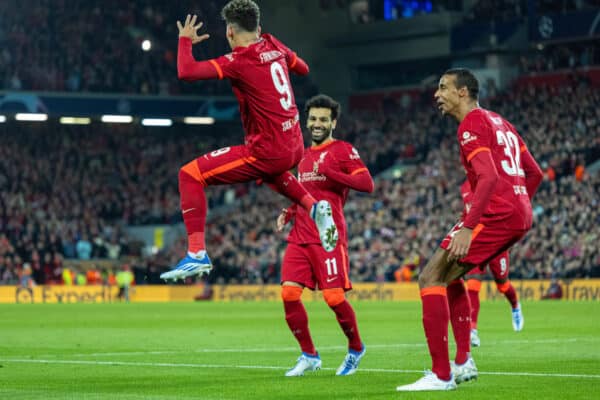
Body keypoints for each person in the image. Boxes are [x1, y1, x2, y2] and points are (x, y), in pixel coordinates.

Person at [160, 0, 338, 281]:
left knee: (189, 175)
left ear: (230, 32)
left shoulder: (238, 60)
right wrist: (283, 56)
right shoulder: (272, 43)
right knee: (270, 174)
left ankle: (196, 254)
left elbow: (186, 71)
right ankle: (314, 207)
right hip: (295, 144)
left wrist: (184, 41)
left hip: (268, 150)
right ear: (259, 27)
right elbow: (302, 68)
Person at [396, 68, 543, 391]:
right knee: (450, 277)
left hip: (495, 214)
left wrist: (472, 226)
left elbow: (489, 178)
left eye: (443, 87)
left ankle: (442, 374)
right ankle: (462, 363)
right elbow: (535, 174)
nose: (437, 94)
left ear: (463, 92)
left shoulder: (471, 124)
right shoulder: (500, 122)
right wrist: (519, 208)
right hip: (513, 213)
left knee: (430, 276)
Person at [276, 94, 374, 377]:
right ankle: (309, 355)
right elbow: (305, 195)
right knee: (289, 293)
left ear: (333, 122)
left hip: (328, 236)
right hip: (300, 235)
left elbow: (367, 184)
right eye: (313, 119)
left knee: (333, 298)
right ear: (307, 121)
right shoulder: (301, 155)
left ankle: (356, 348)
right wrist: (290, 212)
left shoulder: (343, 150)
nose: (317, 124)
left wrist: (334, 174)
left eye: (323, 119)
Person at [460, 180, 524, 348]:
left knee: (502, 285)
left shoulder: (493, 181)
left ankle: (515, 306)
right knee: (473, 285)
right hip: (478, 241)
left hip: (497, 241)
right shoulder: (465, 187)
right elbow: (466, 213)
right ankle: (472, 330)